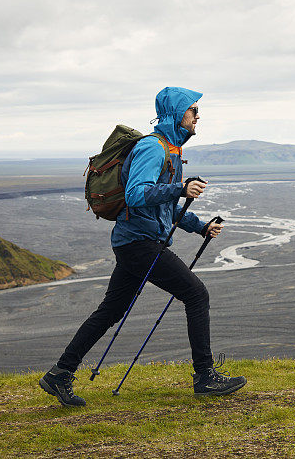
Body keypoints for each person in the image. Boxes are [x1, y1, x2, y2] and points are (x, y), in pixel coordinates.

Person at [39, 87, 246, 406]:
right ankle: (205, 376)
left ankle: (59, 374)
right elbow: (137, 195)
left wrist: (200, 226)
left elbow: (165, 208)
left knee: (110, 310)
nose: (198, 116)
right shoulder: (153, 148)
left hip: (133, 242)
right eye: (192, 110)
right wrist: (179, 188)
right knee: (196, 294)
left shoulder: (172, 150)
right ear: (177, 114)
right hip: (140, 243)